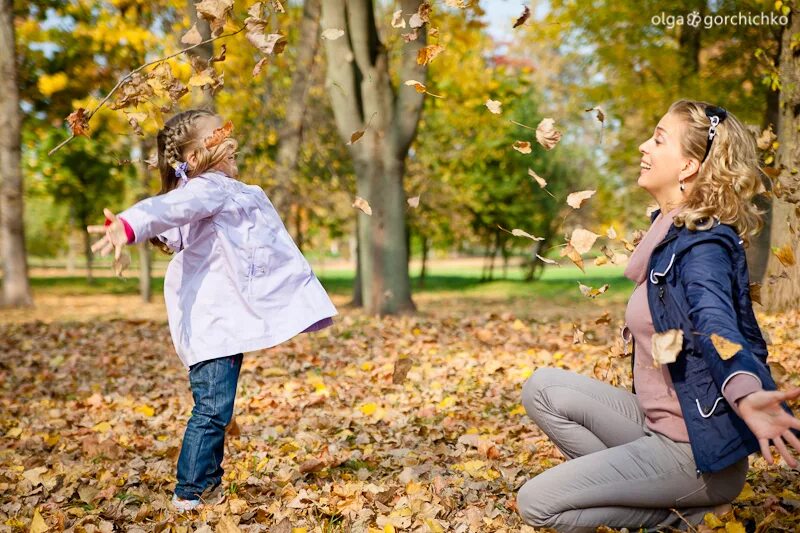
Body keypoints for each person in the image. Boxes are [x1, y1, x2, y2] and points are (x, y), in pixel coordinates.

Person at [515, 100, 800, 532]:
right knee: (544, 387)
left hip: (694, 453)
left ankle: (683, 516)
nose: (644, 145)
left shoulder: (703, 244)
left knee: (538, 504)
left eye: (658, 138)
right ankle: (641, 488)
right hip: (658, 428)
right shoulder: (667, 231)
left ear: (688, 166)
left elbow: (715, 323)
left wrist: (745, 393)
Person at [87, 109, 337, 512]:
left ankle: (207, 486)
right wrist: (129, 226)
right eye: (220, 131)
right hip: (212, 322)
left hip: (224, 320)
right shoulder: (207, 189)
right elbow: (165, 212)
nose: (230, 135)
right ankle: (191, 492)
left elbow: (178, 225)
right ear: (198, 152)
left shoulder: (219, 190)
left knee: (217, 406)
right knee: (212, 408)